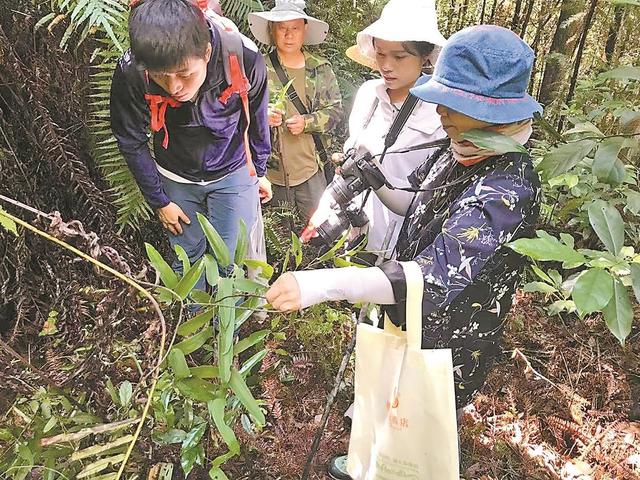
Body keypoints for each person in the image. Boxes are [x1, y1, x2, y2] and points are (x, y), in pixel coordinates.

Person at [266, 25, 543, 480]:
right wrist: (375, 180)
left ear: (492, 112)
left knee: (416, 433)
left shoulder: (506, 186)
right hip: (407, 318)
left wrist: (320, 285)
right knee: (390, 400)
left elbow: (429, 277)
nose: (440, 112)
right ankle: (370, 464)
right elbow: (418, 203)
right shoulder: (461, 148)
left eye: (454, 104)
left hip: (451, 339)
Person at [110, 0, 272, 287]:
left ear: (207, 52)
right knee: (188, 259)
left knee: (229, 260)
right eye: (161, 77)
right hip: (175, 175)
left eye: (185, 74)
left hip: (232, 169)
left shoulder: (243, 57)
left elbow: (257, 120)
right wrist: (159, 201)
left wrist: (259, 171)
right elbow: (131, 138)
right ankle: (191, 324)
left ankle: (226, 330)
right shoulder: (133, 70)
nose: (174, 88)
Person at [343, 0, 447, 258]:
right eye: (380, 54)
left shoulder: (440, 111)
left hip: (402, 245)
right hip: (356, 230)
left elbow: (433, 193)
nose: (386, 65)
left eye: (399, 56)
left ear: (425, 56)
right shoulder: (368, 95)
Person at [248, 0, 343, 221]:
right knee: (277, 241)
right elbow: (239, 114)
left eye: (295, 28)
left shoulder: (320, 68)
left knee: (319, 233)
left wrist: (307, 122)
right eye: (282, 28)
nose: (288, 35)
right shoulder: (258, 68)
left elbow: (336, 112)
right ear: (272, 30)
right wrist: (261, 117)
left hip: (310, 169)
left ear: (304, 29)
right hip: (269, 174)